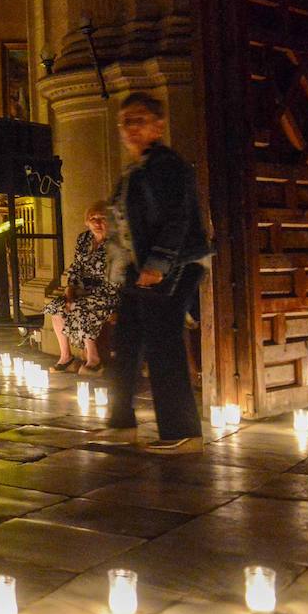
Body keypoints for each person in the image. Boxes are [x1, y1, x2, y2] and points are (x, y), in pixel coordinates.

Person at [103, 92, 212, 454]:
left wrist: (157, 264)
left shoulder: (166, 165)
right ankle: (120, 425)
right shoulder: (135, 171)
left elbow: (178, 218)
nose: (131, 128)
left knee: (164, 345)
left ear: (158, 125)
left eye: (139, 120)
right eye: (125, 122)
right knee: (127, 342)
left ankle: (182, 433)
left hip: (172, 266)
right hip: (140, 269)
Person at [43, 202, 119, 375]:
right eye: (93, 219)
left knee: (81, 306)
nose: (98, 223)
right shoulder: (83, 239)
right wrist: (70, 290)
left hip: (108, 292)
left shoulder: (115, 242)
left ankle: (94, 359)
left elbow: (116, 277)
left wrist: (81, 295)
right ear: (87, 221)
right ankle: (66, 357)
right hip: (83, 290)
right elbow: (76, 267)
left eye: (102, 218)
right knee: (56, 306)